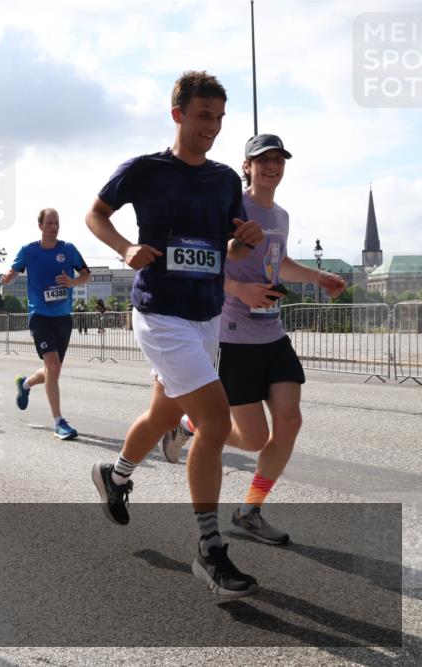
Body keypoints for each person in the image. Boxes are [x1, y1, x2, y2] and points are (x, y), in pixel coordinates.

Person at [85, 71, 266, 598]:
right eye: (203, 116)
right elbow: (96, 214)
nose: (212, 127)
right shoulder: (145, 170)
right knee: (213, 421)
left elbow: (226, 249)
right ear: (178, 114)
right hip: (160, 313)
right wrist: (123, 248)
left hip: (206, 314)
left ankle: (115, 476)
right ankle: (210, 551)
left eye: (219, 118)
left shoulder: (227, 180)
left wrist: (245, 243)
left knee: (165, 414)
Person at [159, 134, 346, 547]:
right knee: (256, 437)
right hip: (234, 335)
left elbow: (279, 263)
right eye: (263, 160)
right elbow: (205, 264)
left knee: (291, 422)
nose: (272, 167)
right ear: (247, 166)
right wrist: (241, 292)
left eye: (278, 160)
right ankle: (190, 424)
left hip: (272, 333)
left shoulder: (280, 214)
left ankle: (250, 510)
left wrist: (317, 276)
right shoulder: (232, 208)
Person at [2, 208, 91, 440]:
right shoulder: (28, 251)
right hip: (40, 316)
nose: (54, 227)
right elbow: (14, 271)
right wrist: (9, 277)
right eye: (50, 223)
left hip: (63, 317)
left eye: (57, 223)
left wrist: (72, 282)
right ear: (40, 225)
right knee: (52, 366)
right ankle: (59, 422)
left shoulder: (68, 250)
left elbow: (86, 274)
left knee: (54, 370)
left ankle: (25, 384)